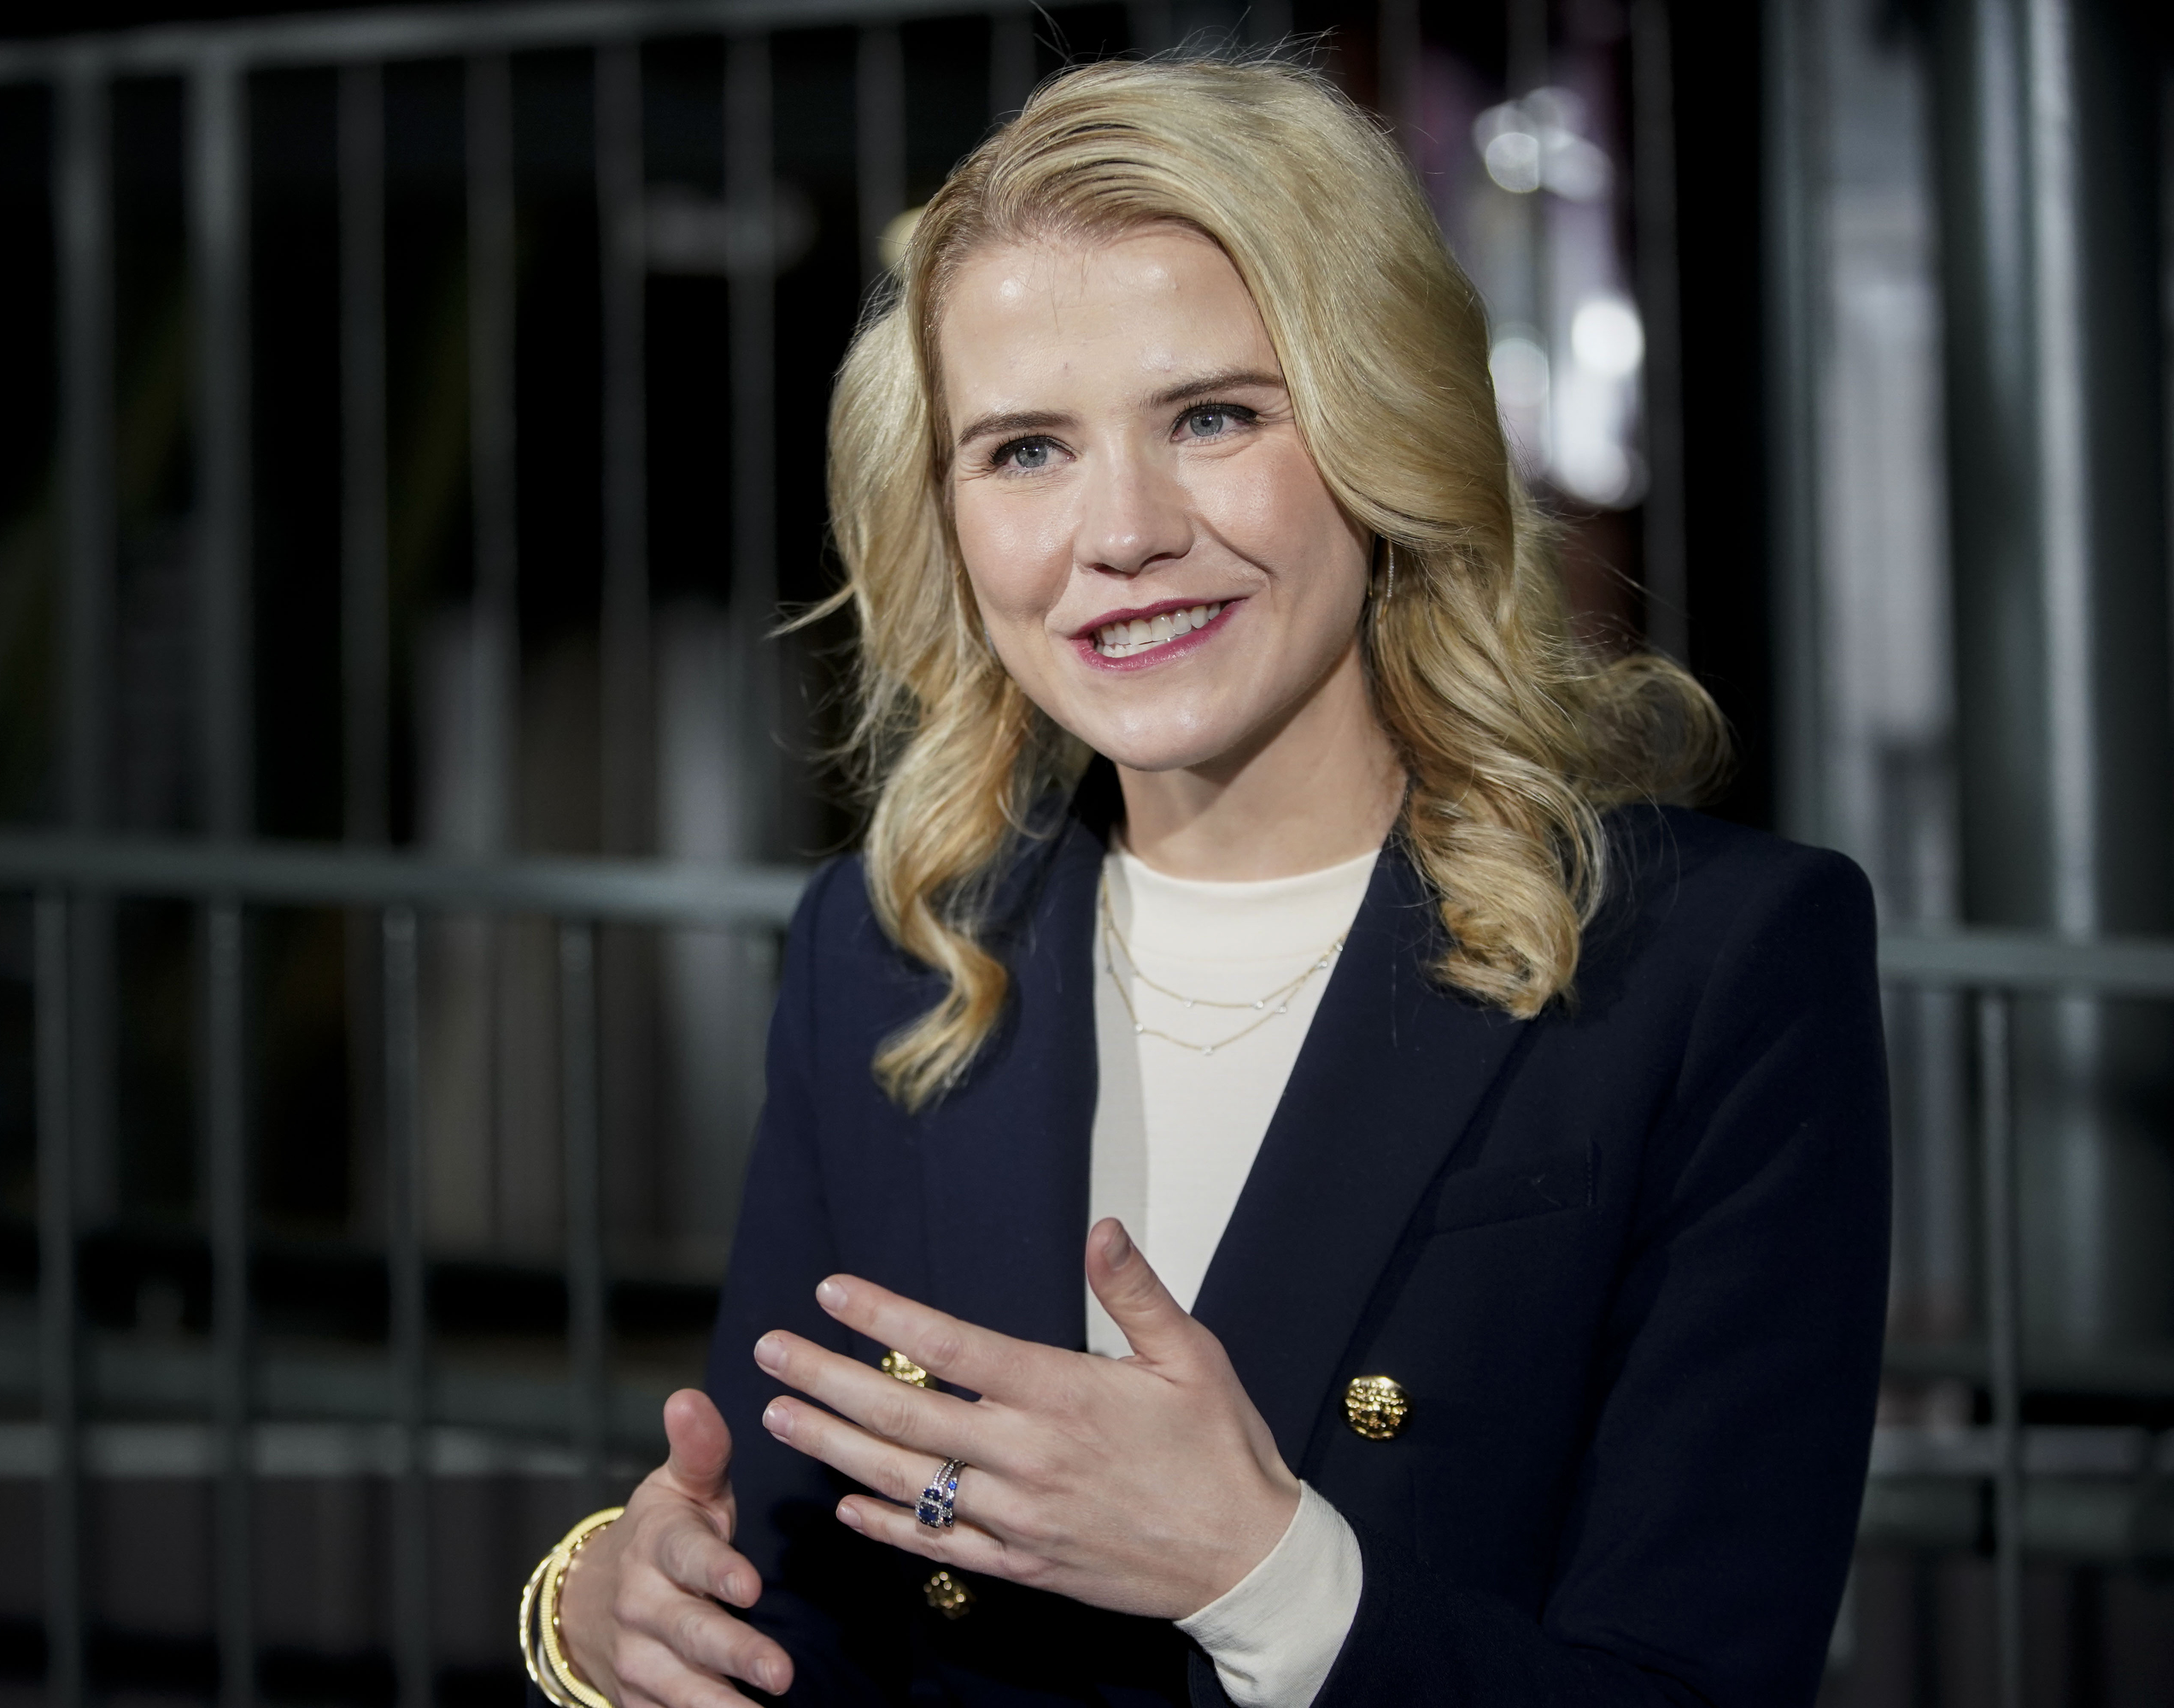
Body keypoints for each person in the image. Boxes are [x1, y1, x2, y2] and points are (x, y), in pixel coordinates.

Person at [521, 55, 1888, 1708]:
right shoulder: (895, 954)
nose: (1123, 530)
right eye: (1025, 449)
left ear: (1387, 426)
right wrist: (610, 1618)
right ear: (944, 518)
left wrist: (1266, 1575)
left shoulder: (1715, 960)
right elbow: (802, 1589)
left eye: (1215, 417)